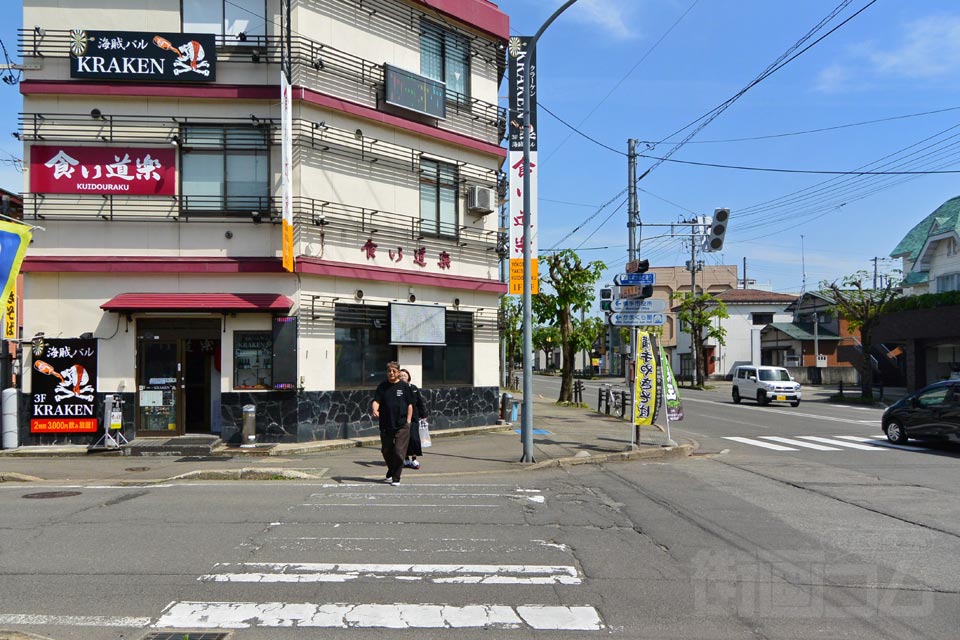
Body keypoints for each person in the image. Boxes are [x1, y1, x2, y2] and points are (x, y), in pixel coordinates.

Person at [372, 361, 413, 486]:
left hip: (402, 425)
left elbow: (410, 405)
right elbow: (376, 401)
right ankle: (391, 470)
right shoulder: (382, 386)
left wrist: (408, 421)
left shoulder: (404, 387)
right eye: (389, 371)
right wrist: (374, 409)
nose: (391, 373)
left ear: (398, 372)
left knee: (399, 451)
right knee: (386, 451)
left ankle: (396, 477)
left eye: (394, 371)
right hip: (386, 424)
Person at [399, 368, 428, 469]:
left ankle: (414, 459)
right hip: (402, 417)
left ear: (408, 377)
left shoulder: (414, 388)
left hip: (414, 417)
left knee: (414, 438)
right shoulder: (397, 389)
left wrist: (423, 415)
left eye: (404, 375)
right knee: (404, 439)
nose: (402, 377)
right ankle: (406, 459)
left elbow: (420, 402)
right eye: (401, 376)